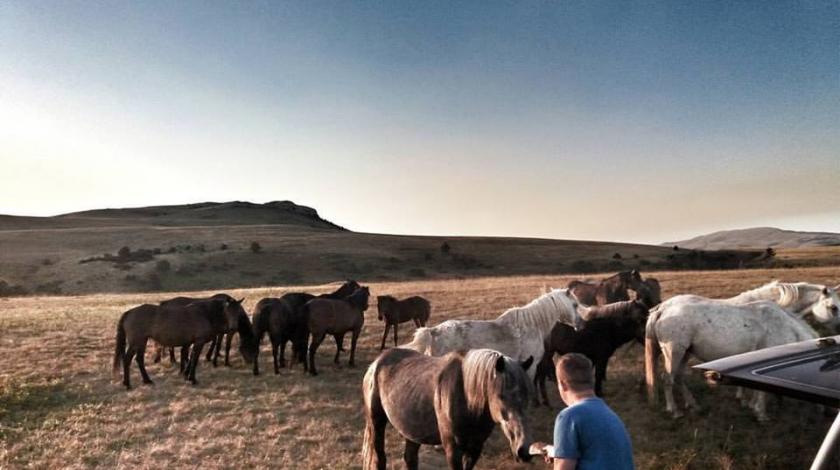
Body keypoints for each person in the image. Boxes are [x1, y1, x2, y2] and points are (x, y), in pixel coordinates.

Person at [535, 353, 635, 470]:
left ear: (562, 384)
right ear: (590, 380)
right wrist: (556, 452)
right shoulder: (608, 413)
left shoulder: (568, 417)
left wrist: (559, 460)